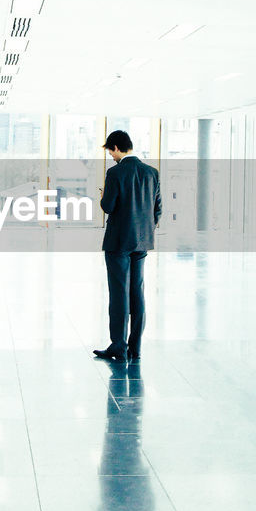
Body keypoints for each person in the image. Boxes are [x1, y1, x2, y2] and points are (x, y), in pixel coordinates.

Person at [93, 130, 161, 362]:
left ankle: (119, 347)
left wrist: (103, 196)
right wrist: (145, 229)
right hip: (142, 241)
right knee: (137, 292)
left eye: (110, 151)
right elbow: (157, 208)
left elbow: (109, 206)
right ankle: (136, 347)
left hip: (119, 242)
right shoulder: (152, 173)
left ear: (116, 148)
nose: (111, 156)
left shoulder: (115, 173)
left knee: (119, 293)